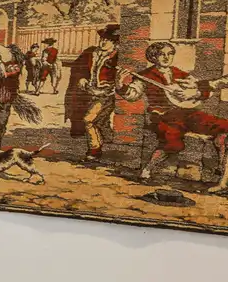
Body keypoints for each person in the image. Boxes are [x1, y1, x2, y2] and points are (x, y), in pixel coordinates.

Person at [127, 41, 228, 190]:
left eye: (170, 54)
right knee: (173, 142)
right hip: (163, 115)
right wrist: (120, 85)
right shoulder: (145, 76)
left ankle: (221, 169)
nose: (166, 57)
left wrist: (195, 93)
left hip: (187, 112)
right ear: (153, 57)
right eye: (162, 54)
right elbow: (132, 95)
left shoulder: (178, 72)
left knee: (224, 127)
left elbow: (201, 90)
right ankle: (147, 170)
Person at [65, 25, 123, 160]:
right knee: (100, 121)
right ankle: (109, 141)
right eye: (102, 39)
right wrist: (81, 77)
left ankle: (94, 150)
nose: (103, 42)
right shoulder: (91, 52)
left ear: (115, 42)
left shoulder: (117, 56)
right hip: (90, 93)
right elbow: (78, 67)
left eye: (107, 40)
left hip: (106, 95)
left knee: (89, 120)